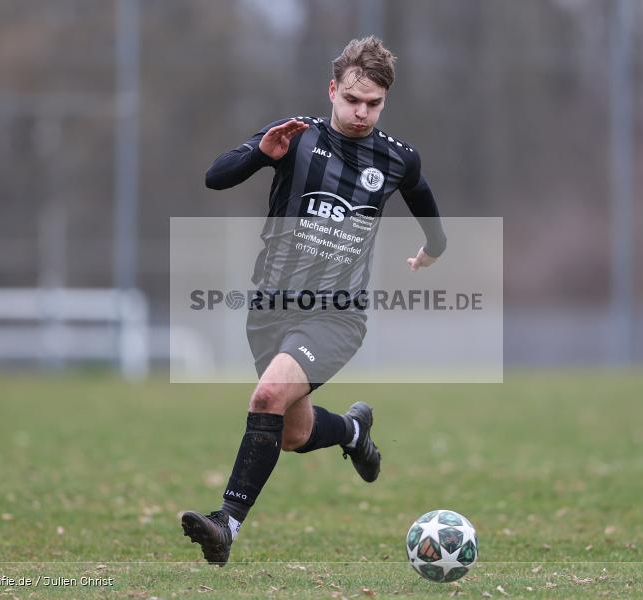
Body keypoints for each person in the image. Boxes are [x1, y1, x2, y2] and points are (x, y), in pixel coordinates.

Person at [180, 36, 447, 566]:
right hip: (270, 312)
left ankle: (225, 523)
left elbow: (429, 211)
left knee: (265, 399)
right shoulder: (296, 138)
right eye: (352, 100)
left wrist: (432, 250)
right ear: (333, 90)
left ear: (384, 102)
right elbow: (215, 177)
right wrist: (260, 153)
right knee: (293, 434)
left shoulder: (397, 159)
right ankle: (352, 431)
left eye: (373, 104)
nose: (361, 112)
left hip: (336, 316)